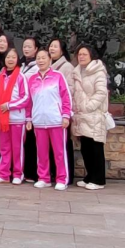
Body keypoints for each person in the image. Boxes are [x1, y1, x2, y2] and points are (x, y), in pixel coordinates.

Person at [28, 49, 72, 190]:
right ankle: (43, 178)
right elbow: (29, 101)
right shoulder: (32, 79)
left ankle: (62, 178)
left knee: (59, 152)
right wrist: (29, 118)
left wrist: (66, 115)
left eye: (43, 58)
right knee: (41, 152)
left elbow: (66, 97)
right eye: (38, 58)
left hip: (56, 120)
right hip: (39, 121)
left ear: (50, 60)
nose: (41, 60)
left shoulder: (58, 76)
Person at [71, 45, 109, 190]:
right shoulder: (77, 71)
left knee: (96, 148)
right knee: (85, 148)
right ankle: (89, 176)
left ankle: (98, 180)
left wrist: (89, 106)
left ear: (91, 56)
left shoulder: (98, 72)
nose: (81, 57)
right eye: (79, 54)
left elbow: (101, 93)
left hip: (94, 115)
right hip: (81, 116)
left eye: (84, 54)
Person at [0, 48, 30, 184]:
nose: (11, 60)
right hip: (3, 119)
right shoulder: (0, 76)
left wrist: (9, 105)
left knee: (17, 148)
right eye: (8, 57)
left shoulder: (21, 77)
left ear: (17, 59)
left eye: (13, 57)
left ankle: (18, 174)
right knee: (4, 147)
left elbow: (26, 98)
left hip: (17, 118)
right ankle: (4, 174)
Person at [49, 38, 76, 184]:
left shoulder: (66, 67)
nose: (52, 49)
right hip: (49, 113)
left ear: (62, 50)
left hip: (61, 112)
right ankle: (54, 173)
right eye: (51, 46)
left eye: (55, 46)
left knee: (64, 144)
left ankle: (67, 175)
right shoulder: (48, 66)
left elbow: (70, 90)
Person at [21, 37, 40, 182]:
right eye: (24, 46)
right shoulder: (21, 65)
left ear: (36, 49)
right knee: (25, 141)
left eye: (29, 47)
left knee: (33, 142)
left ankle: (33, 173)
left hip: (33, 107)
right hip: (22, 108)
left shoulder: (37, 67)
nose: (26, 49)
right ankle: (24, 171)